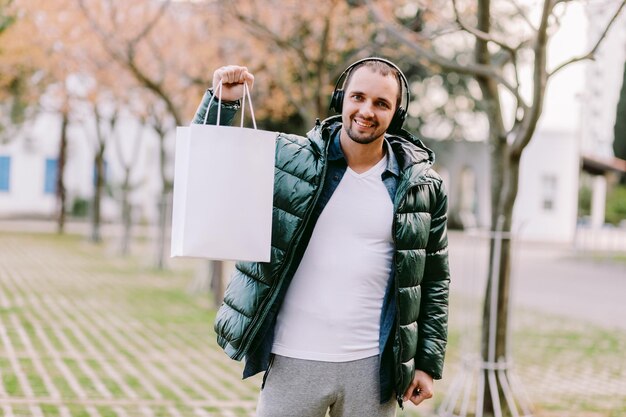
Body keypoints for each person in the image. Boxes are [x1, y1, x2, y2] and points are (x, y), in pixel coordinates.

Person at [192, 58, 450, 417]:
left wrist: (426, 363)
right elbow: (209, 161)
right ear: (341, 98)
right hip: (294, 359)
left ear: (397, 115)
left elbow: (435, 281)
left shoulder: (422, 186)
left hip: (373, 369)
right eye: (358, 97)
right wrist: (223, 102)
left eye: (381, 103)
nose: (366, 111)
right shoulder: (290, 159)